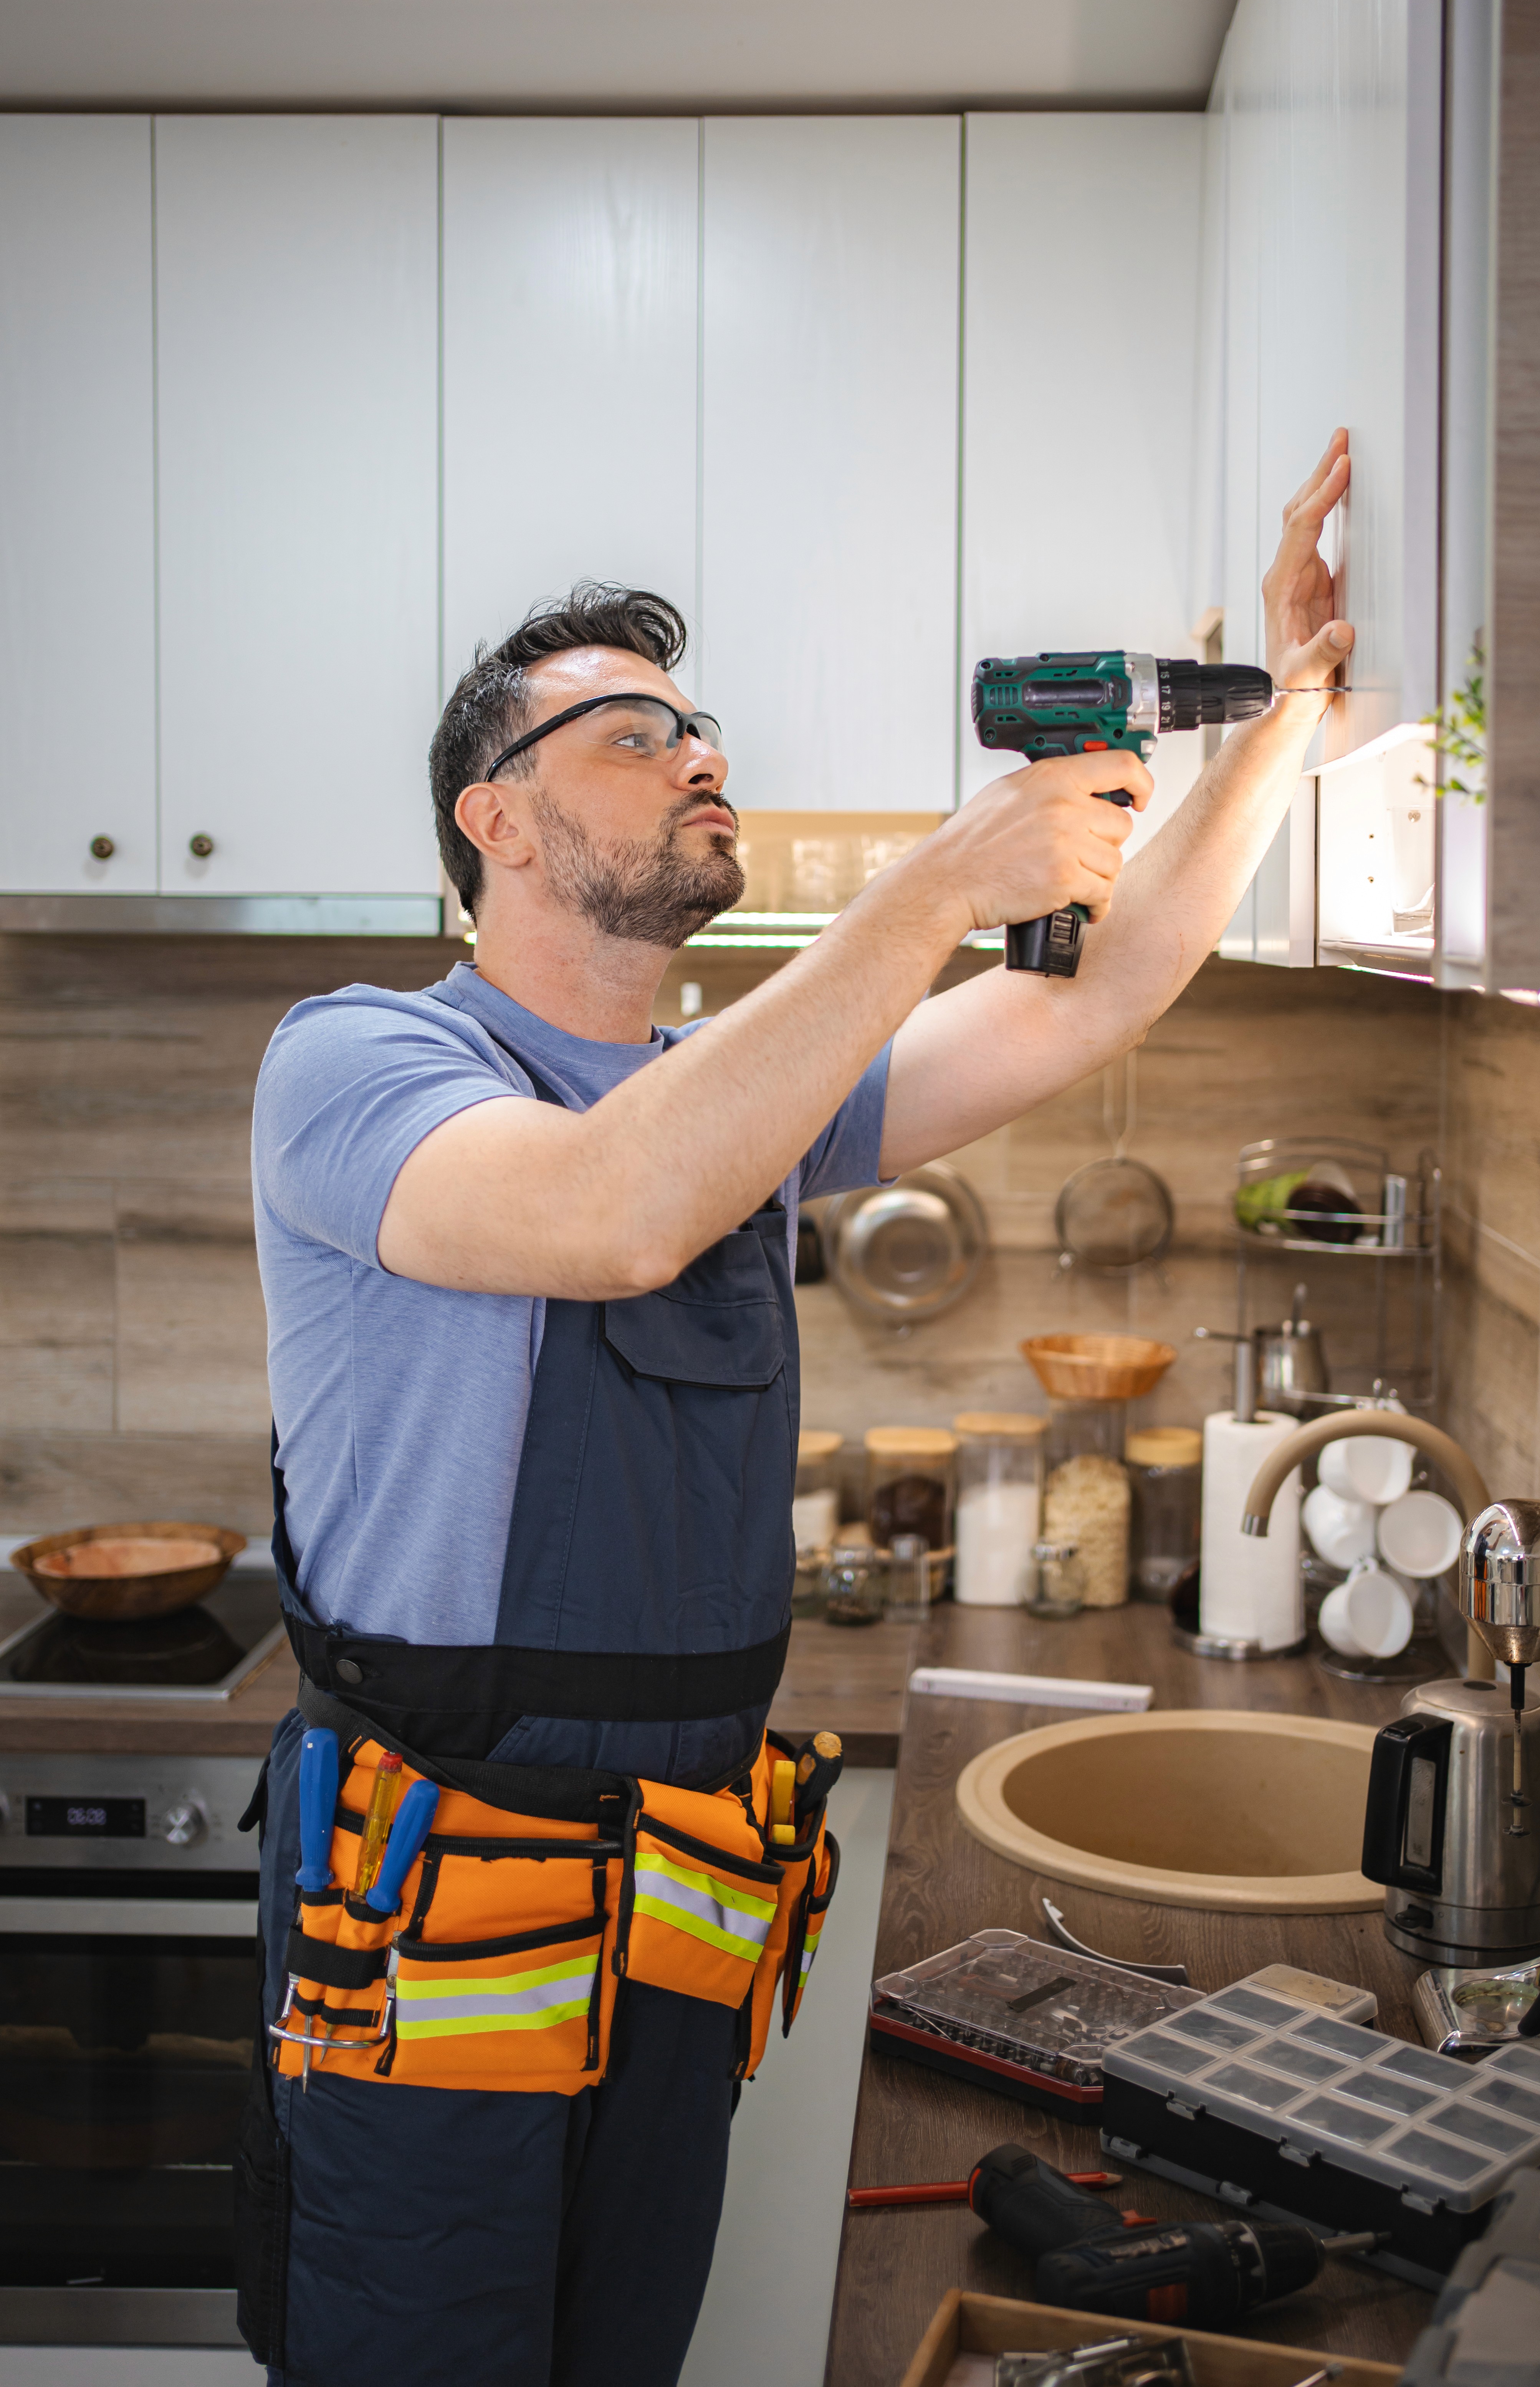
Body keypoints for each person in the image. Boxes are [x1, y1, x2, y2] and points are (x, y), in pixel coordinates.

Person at [238, 434, 1354, 2386]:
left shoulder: (743, 1094)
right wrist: (936, 884)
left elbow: (1089, 1001)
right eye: (632, 730)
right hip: (434, 1878)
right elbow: (605, 1208)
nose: (699, 752)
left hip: (672, 1870)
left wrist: (1283, 713)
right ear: (491, 820)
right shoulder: (356, 1065)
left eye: (706, 724)